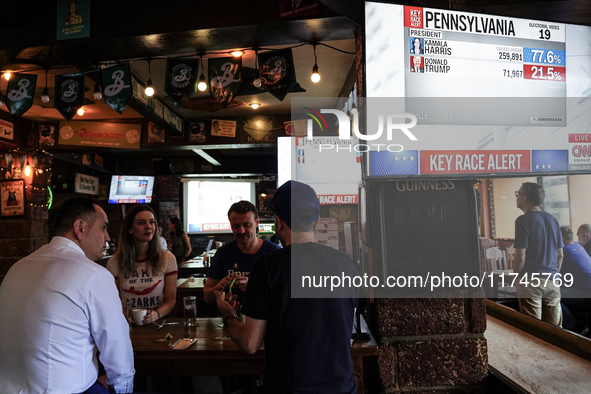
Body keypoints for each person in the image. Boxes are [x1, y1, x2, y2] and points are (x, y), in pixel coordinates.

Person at [215, 181, 358, 393]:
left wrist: (227, 314)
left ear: (278, 221)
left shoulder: (267, 266)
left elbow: (250, 343)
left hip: (290, 387)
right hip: (342, 387)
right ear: (316, 221)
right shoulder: (345, 262)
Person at [0, 197, 134, 394]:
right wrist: (122, 390)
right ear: (80, 228)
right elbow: (117, 352)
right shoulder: (95, 275)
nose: (108, 237)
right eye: (103, 227)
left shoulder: (17, 268)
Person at [107, 205, 178, 323]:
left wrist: (157, 314)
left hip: (158, 322)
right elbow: (111, 301)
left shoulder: (167, 258)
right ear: (130, 229)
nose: (148, 227)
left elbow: (171, 301)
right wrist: (121, 313)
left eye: (152, 222)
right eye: (141, 223)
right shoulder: (114, 262)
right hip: (127, 323)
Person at [203, 200, 280, 305]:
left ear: (257, 222)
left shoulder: (274, 253)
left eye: (246, 225)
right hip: (230, 318)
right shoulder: (223, 253)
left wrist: (253, 287)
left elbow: (284, 296)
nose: (241, 231)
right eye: (236, 226)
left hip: (266, 320)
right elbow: (207, 297)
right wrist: (219, 287)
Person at [514, 182, 563, 326]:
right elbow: (560, 255)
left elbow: (520, 257)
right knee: (555, 330)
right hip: (553, 280)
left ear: (523, 199)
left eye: (517, 194)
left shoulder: (523, 220)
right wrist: (554, 275)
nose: (516, 198)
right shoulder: (553, 219)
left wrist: (516, 278)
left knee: (534, 328)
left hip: (531, 281)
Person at [559, 226, 591, 334]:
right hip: (586, 289)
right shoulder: (579, 247)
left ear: (561, 239)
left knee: (551, 296)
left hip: (586, 292)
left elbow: (556, 273)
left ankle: (576, 327)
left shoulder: (564, 251)